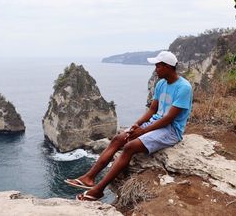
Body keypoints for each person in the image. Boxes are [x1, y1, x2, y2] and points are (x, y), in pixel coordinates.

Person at [65, 51, 193, 201]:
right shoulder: (161, 84)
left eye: (158, 66)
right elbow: (153, 110)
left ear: (168, 67)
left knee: (129, 147)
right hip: (156, 123)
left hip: (171, 130)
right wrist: (136, 125)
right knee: (119, 138)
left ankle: (98, 190)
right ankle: (89, 178)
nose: (155, 69)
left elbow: (169, 119)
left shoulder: (184, 88)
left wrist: (143, 131)